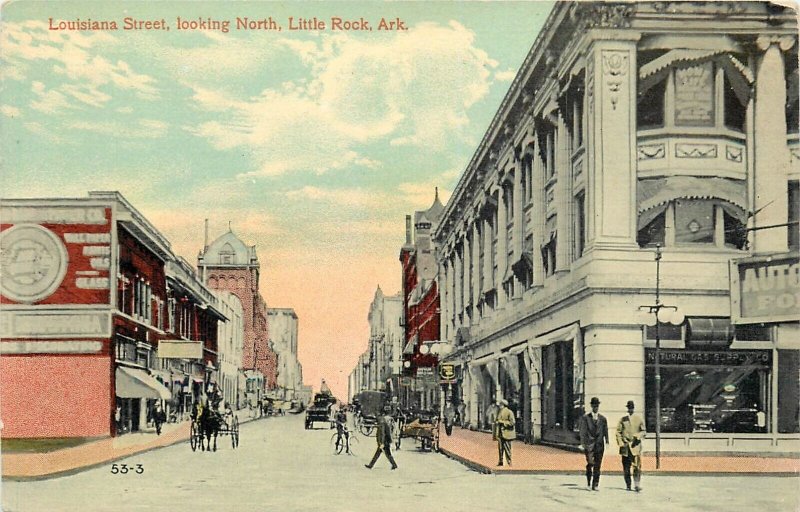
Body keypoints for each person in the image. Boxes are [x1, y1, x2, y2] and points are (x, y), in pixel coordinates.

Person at [578, 396, 609, 491]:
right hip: (589, 445)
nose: (596, 407)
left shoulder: (603, 419)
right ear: (591, 406)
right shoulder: (586, 418)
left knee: (598, 465)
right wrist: (583, 444)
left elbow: (605, 431)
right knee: (590, 463)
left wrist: (607, 441)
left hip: (599, 445)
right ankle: (588, 481)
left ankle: (595, 484)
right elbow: (582, 432)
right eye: (594, 405)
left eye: (597, 406)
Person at [616, 400, 646, 492]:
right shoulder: (623, 419)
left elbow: (644, 431)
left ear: (634, 408)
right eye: (629, 408)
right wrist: (620, 443)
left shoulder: (638, 419)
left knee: (637, 467)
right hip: (625, 447)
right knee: (626, 468)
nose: (630, 409)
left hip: (635, 446)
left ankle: (637, 485)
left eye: (631, 407)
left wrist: (639, 436)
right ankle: (628, 485)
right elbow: (618, 432)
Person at [365, 405, 398, 470]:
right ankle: (394, 465)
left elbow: (382, 432)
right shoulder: (390, 419)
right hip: (387, 439)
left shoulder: (383, 420)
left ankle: (371, 465)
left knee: (382, 452)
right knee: (386, 453)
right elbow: (391, 429)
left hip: (384, 440)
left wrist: (381, 442)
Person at [493, 399, 516, 466]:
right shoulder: (499, 412)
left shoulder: (509, 412)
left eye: (500, 404)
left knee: (507, 448)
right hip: (500, 433)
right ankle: (501, 461)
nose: (499, 406)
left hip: (507, 433)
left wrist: (502, 422)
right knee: (500, 448)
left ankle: (509, 462)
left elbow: (512, 422)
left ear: (503, 405)